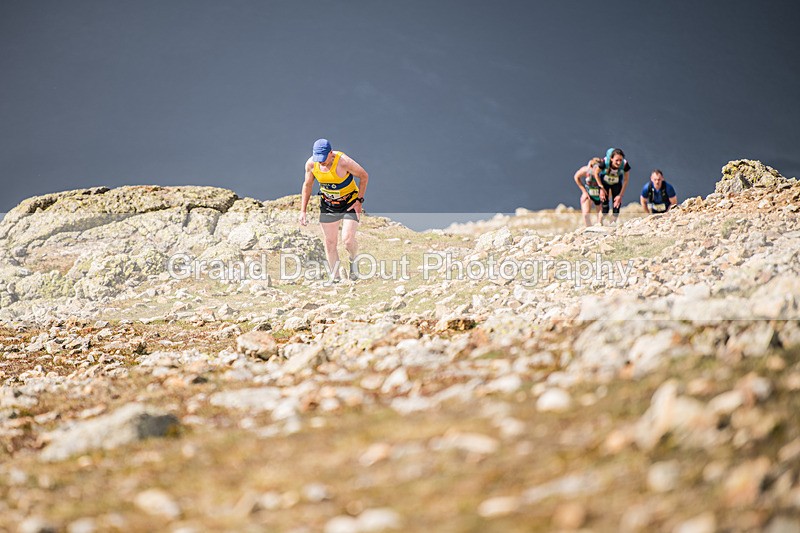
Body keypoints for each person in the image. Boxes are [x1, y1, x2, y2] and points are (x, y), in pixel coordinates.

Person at [299, 139, 369, 281]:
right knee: (330, 242)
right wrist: (303, 210)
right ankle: (336, 278)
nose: (321, 162)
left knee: (348, 240)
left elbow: (364, 176)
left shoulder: (343, 162)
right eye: (318, 158)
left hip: (349, 202)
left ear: (330, 153)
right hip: (329, 205)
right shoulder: (311, 164)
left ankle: (353, 260)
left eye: (323, 158)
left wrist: (359, 201)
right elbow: (307, 185)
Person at [594, 147, 630, 225]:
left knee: (616, 207)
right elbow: (596, 173)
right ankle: (599, 224)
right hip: (604, 183)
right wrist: (601, 188)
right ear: (611, 159)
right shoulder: (604, 163)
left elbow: (626, 180)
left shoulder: (625, 165)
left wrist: (620, 195)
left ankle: (612, 225)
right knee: (605, 208)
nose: (619, 163)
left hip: (616, 184)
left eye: (620, 160)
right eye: (616, 160)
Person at [574, 157, 603, 226]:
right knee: (586, 214)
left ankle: (599, 227)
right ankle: (588, 228)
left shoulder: (603, 172)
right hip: (588, 193)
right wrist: (584, 191)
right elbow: (576, 176)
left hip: (599, 194)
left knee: (601, 214)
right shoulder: (586, 170)